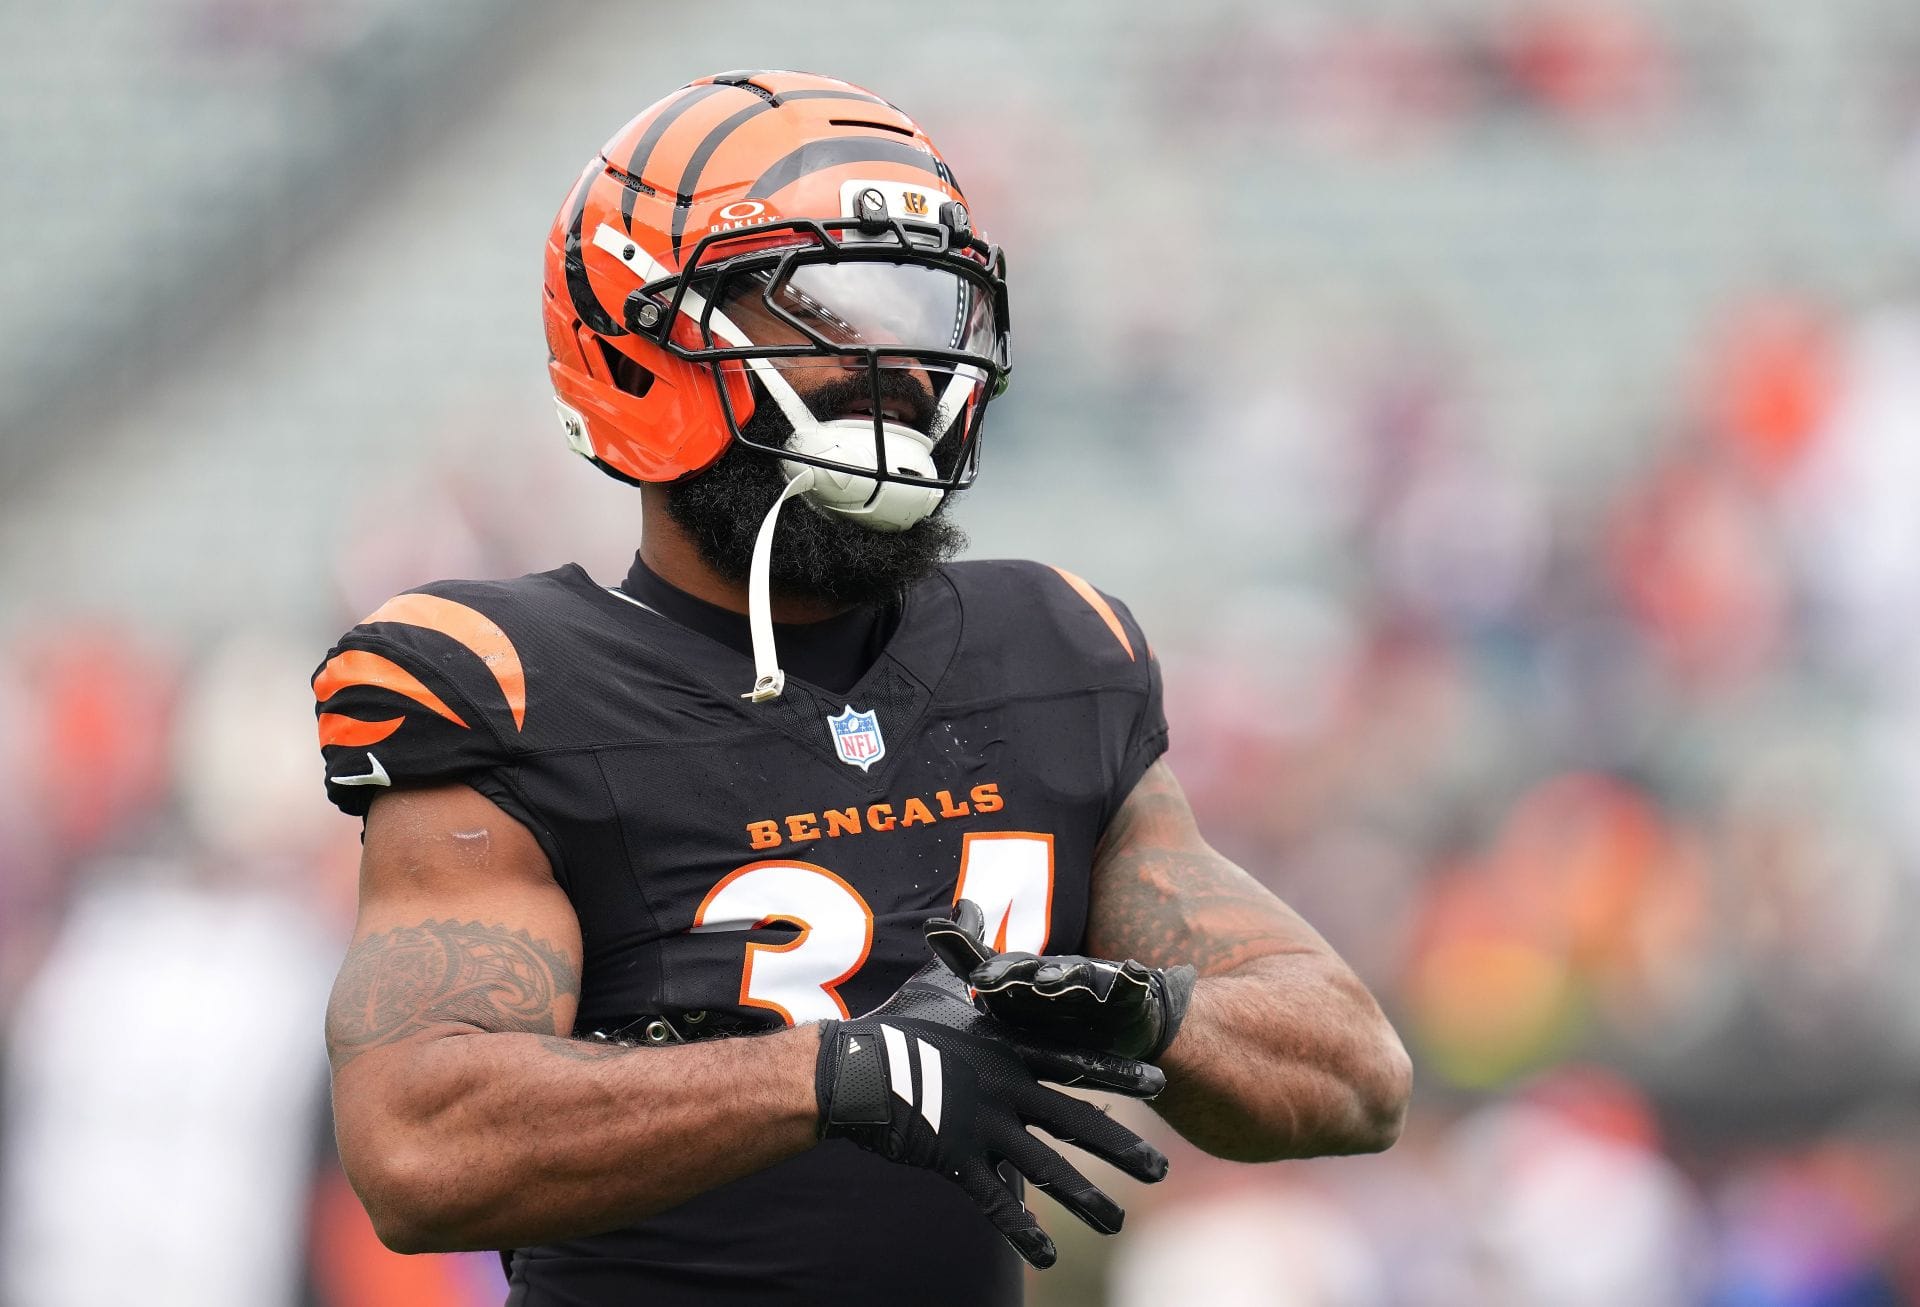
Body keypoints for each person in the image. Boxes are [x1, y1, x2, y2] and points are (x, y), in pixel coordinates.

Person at [312, 70, 1412, 1307]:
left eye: (922, 305)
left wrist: (1149, 1010)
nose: (892, 365)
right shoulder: (512, 682)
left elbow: (1356, 1074)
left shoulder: (1047, 654)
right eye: (818, 309)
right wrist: (837, 1075)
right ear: (632, 344)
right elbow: (417, 1144)